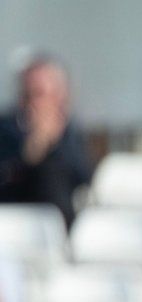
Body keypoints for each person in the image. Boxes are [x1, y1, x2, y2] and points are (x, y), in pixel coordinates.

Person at [0, 55, 92, 229]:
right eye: (26, 95)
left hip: (56, 227)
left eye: (39, 94)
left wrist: (53, 143)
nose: (31, 103)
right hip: (11, 222)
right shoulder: (6, 129)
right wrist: (34, 147)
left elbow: (83, 177)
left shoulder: (70, 134)